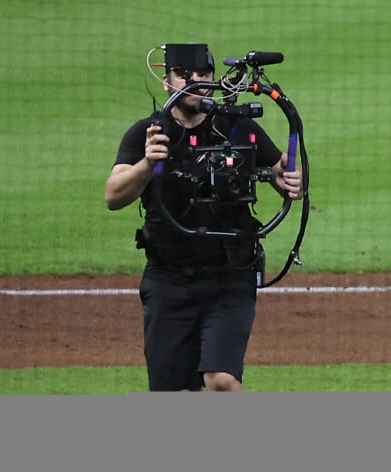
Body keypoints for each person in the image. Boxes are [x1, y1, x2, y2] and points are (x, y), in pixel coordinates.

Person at [105, 42, 303, 391]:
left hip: (229, 275)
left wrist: (288, 179)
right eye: (183, 75)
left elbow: (280, 173)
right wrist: (149, 164)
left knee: (222, 380)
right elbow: (113, 195)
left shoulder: (238, 127)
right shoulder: (149, 134)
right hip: (168, 279)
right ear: (166, 82)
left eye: (202, 74)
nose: (195, 81)